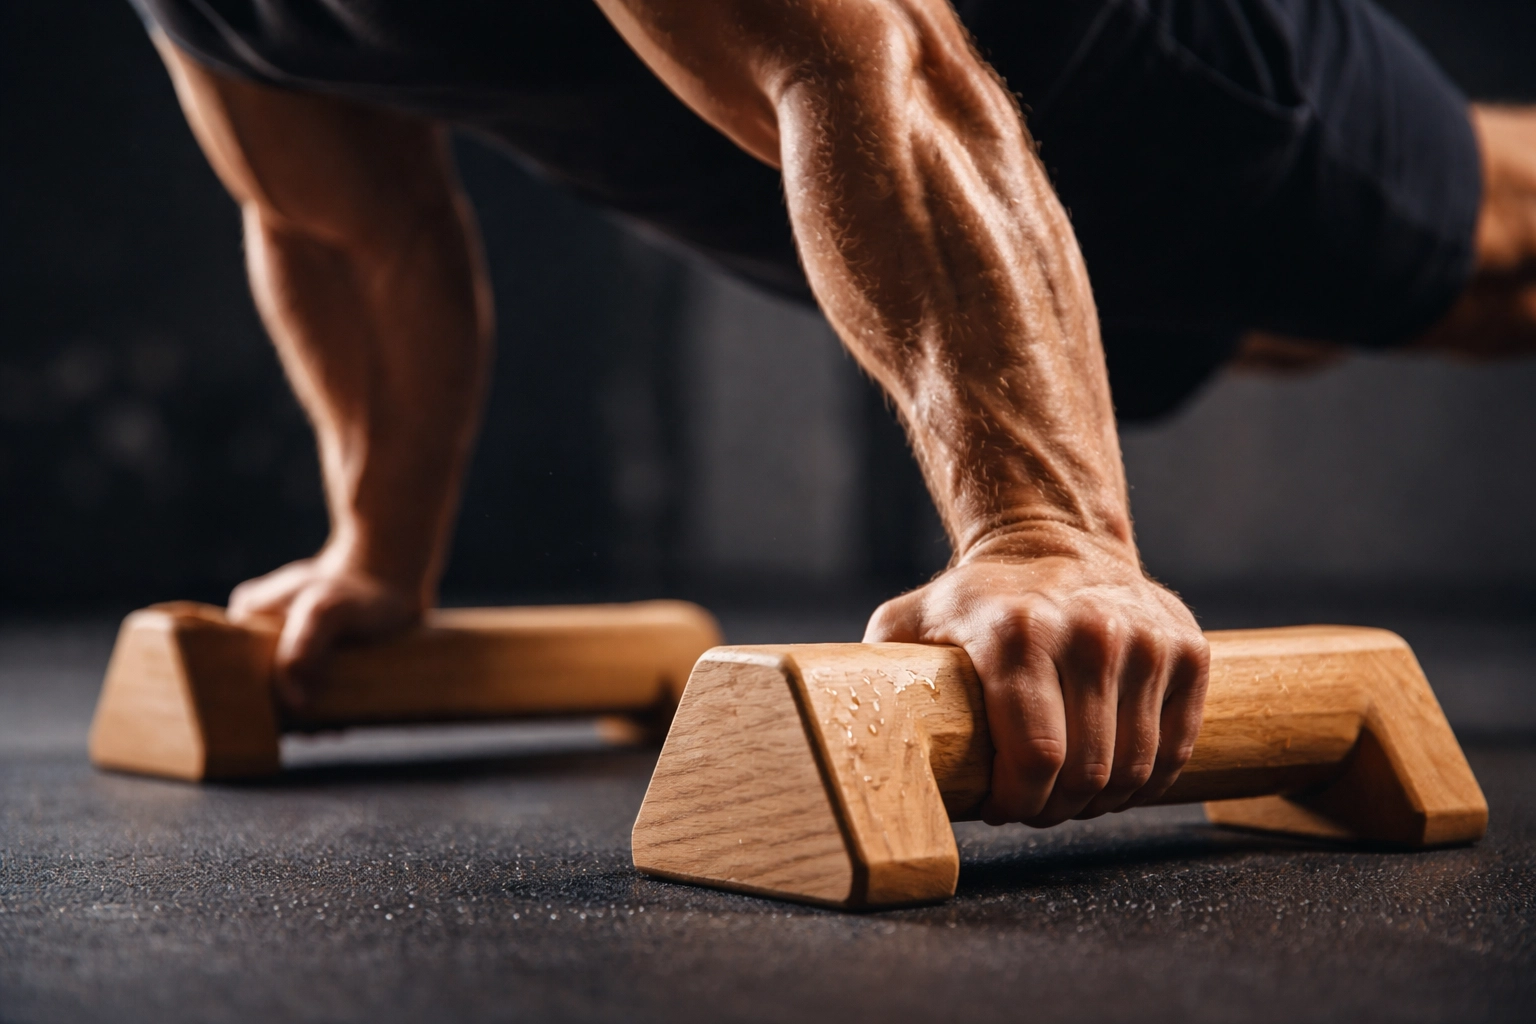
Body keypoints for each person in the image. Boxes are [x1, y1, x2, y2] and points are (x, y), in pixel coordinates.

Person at [127, 0, 1536, 828]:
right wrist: (379, 559)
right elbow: (347, 234)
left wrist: (1048, 535)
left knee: (1489, 253)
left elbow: (881, 62)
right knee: (1302, 333)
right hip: (884, 214)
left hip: (1113, 68)